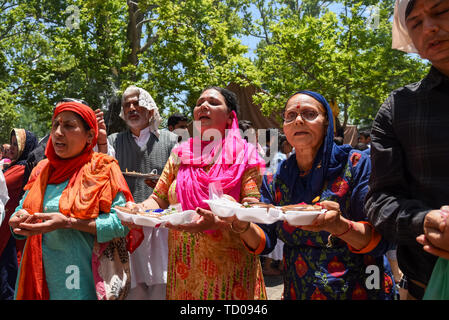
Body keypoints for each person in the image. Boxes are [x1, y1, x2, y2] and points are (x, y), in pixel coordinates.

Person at [231, 90, 396, 300]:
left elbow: (381, 238)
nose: (298, 120)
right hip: (299, 289)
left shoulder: (356, 164)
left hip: (359, 289)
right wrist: (242, 224)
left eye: (309, 114)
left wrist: (339, 226)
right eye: (290, 116)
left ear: (327, 123)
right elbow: (265, 241)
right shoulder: (276, 178)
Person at [123, 86, 267, 300]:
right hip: (183, 272)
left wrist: (226, 219)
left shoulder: (245, 156)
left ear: (230, 117)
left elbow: (252, 211)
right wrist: (138, 209)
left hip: (230, 277)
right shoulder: (180, 154)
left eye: (213, 102)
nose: (204, 106)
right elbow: (158, 198)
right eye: (199, 103)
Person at [366, 0, 449, 300]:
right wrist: (427, 222)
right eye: (415, 23)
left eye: (440, 11)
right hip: (424, 288)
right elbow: (379, 200)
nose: (430, 27)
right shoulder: (399, 108)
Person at [8, 101, 133, 300]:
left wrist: (69, 223)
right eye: (56, 124)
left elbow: (123, 223)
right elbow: (22, 208)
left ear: (90, 135)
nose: (58, 132)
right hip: (37, 276)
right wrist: (16, 221)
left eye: (68, 126)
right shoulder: (42, 169)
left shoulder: (103, 169)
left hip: (80, 279)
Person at [108, 85, 179, 300]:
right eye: (126, 104)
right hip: (125, 225)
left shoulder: (171, 141)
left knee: (161, 285)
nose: (131, 108)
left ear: (149, 108)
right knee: (132, 288)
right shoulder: (113, 142)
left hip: (160, 229)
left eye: (136, 103)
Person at [0, 129, 38, 300]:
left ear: (26, 146)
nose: (12, 148)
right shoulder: (14, 165)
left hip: (11, 233)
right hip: (6, 227)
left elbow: (5, 183)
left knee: (8, 279)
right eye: (12, 143)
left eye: (17, 144)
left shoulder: (22, 169)